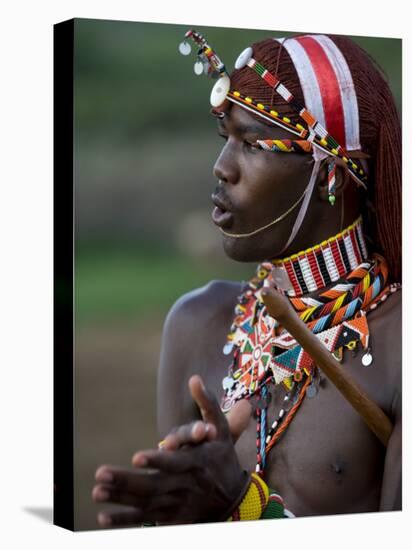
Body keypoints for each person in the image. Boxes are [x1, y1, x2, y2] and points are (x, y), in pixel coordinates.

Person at [92, 30, 402, 526]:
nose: (221, 168)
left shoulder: (398, 346)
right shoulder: (196, 323)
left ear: (331, 175)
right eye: (226, 140)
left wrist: (243, 506)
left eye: (253, 144)